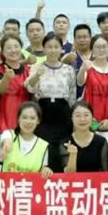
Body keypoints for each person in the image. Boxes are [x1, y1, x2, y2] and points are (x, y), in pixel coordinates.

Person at [0, 101, 54, 215]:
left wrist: (47, 170)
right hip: (6, 192)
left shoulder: (43, 145)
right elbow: (5, 140)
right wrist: (6, 145)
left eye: (32, 118)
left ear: (38, 121)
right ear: (18, 119)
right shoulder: (8, 135)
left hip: (27, 194)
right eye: (24, 117)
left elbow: (43, 168)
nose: (28, 121)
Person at [26, 33, 76, 172]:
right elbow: (30, 88)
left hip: (63, 113)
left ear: (61, 49)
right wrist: (37, 75)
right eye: (49, 47)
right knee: (45, 149)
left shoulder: (68, 69)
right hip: (44, 113)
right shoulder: (37, 67)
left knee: (63, 148)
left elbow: (72, 95)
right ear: (44, 48)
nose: (53, 50)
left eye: (56, 47)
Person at [62, 101, 108, 215]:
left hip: (93, 191)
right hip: (72, 191)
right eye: (77, 115)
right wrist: (73, 155)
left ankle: (92, 213)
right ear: (71, 118)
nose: (82, 119)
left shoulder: (101, 141)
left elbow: (105, 174)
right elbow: (68, 175)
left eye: (86, 115)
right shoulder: (65, 142)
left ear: (92, 118)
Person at [0, 36, 32, 169]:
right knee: (3, 157)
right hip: (2, 119)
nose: (13, 50)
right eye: (8, 47)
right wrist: (7, 78)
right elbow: (0, 89)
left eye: (16, 46)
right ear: (2, 51)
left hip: (25, 120)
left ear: (21, 48)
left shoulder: (28, 70)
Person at [78, 35, 108, 144]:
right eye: (97, 47)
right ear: (92, 50)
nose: (101, 50)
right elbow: (79, 82)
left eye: (104, 46)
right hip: (90, 121)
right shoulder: (88, 68)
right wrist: (83, 69)